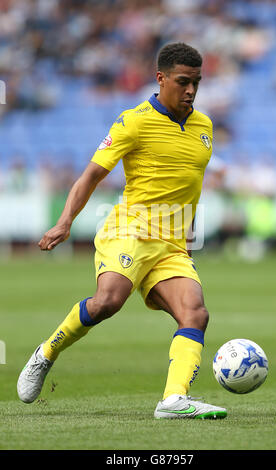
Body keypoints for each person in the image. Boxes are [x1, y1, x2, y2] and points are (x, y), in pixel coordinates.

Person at [17, 42, 227, 420]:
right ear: (160, 79)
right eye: (183, 82)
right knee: (108, 302)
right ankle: (47, 352)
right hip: (130, 230)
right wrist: (66, 221)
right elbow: (91, 176)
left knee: (195, 313)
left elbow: (187, 189)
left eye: (197, 82)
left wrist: (188, 243)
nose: (191, 91)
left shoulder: (204, 127)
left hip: (173, 245)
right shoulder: (133, 121)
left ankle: (174, 400)